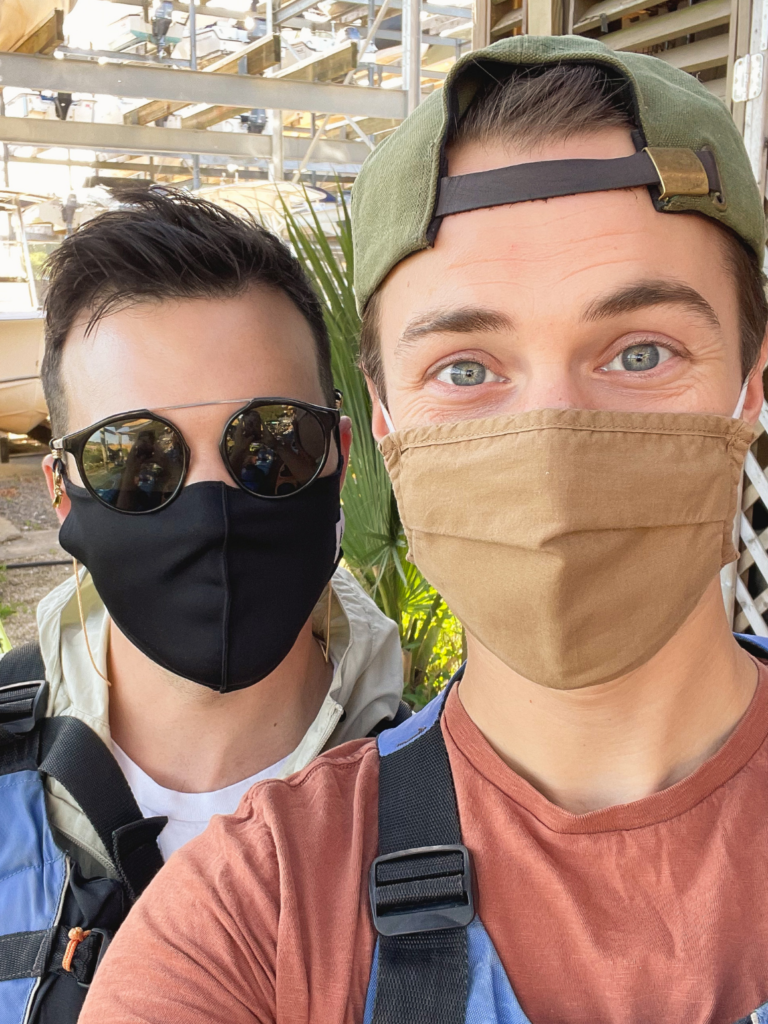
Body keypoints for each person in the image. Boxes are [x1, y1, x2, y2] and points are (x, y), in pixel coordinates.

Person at [81, 36, 768, 1024]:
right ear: (387, 419)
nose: (552, 442)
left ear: (749, 379)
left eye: (640, 349)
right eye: (466, 368)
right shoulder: (251, 919)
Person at [0, 186, 405, 1023]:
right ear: (62, 494)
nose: (215, 505)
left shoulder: (452, 787)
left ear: (339, 454)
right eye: (134, 460)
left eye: (270, 443)